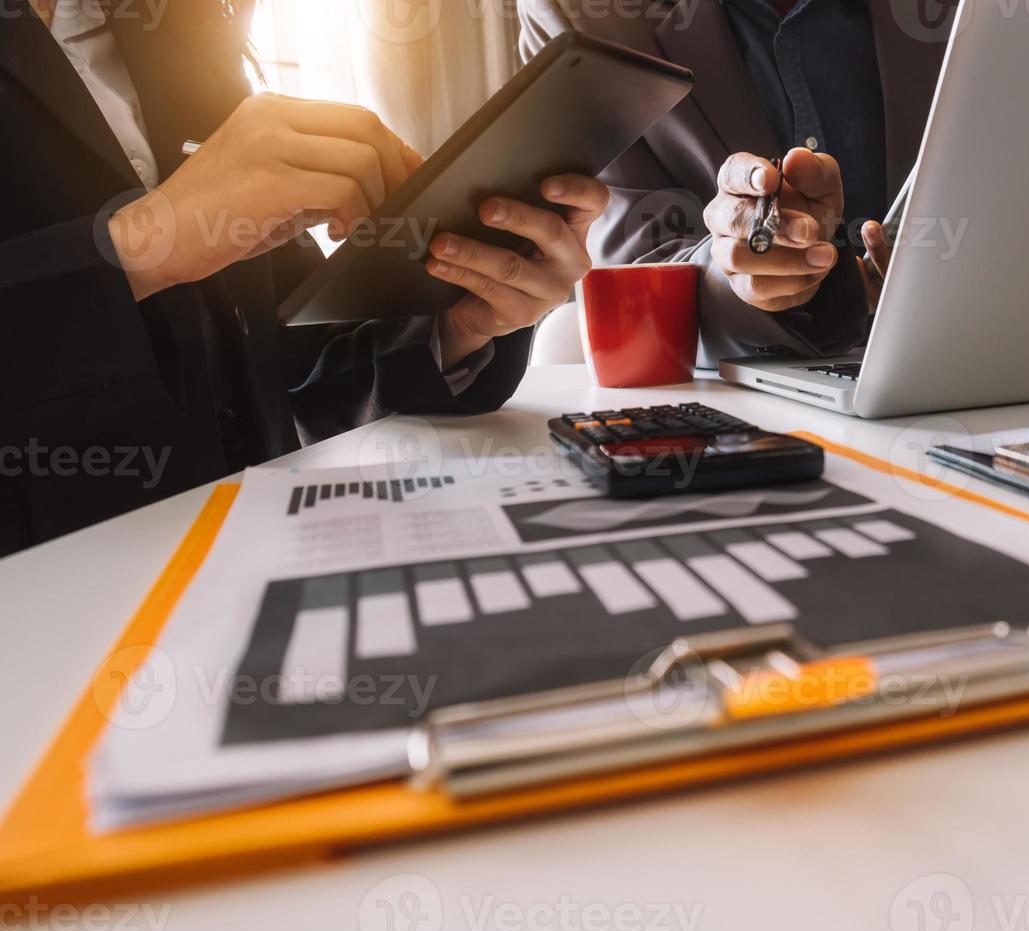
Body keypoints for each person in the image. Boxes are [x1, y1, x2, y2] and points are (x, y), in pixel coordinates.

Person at [0, 0, 609, 556]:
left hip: (243, 577)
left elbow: (299, 374)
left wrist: (460, 323)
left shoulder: (175, 33)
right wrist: (141, 247)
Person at [518, 0, 954, 365]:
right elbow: (633, 285)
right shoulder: (584, 14)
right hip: (746, 397)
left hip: (978, 356)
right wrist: (744, 273)